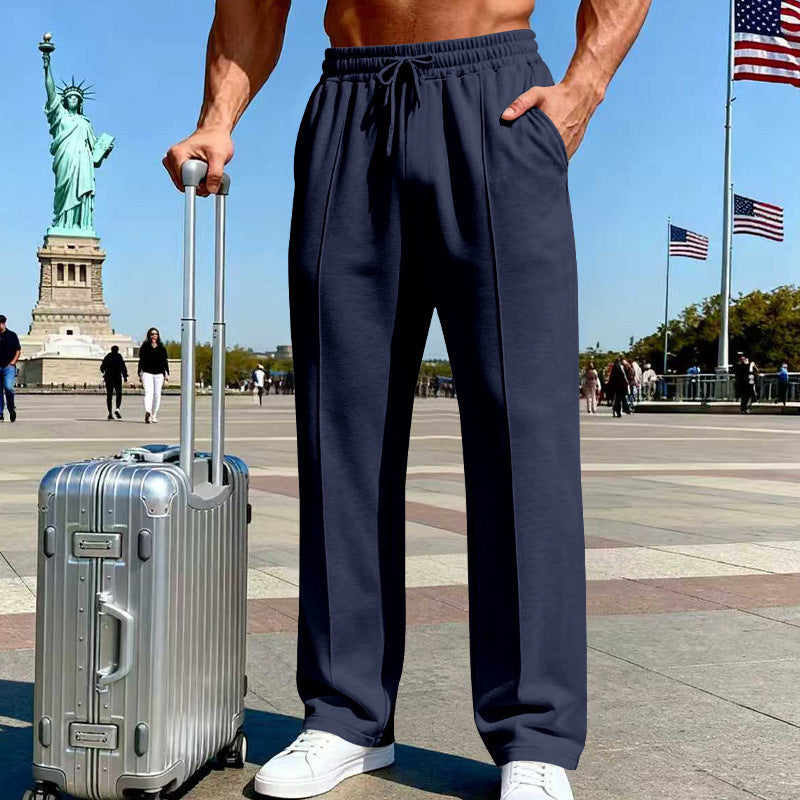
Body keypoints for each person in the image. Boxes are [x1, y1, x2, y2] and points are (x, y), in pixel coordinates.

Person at [163, 1, 651, 797]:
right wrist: (218, 118)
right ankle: (346, 715)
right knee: (340, 428)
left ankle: (535, 735)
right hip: (350, 105)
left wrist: (584, 86)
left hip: (495, 97)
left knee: (522, 433)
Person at [137, 327, 169, 424]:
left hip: (159, 373)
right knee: (148, 392)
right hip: (147, 372)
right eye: (152, 334)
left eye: (155, 334)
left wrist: (167, 373)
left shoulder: (162, 348)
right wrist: (140, 372)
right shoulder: (145, 347)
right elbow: (141, 360)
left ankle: (154, 414)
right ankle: (148, 411)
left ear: (158, 336)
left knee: (157, 394)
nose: (153, 336)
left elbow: (165, 361)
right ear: (149, 335)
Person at [0, 314, 21, 423]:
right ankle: (0, 413)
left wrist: (13, 362)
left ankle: (11, 408)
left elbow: (18, 350)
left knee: (8, 388)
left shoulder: (12, 335)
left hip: (8, 367)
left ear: (2, 324)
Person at [100, 345, 129, 420]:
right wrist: (125, 376)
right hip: (117, 377)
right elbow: (123, 367)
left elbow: (102, 367)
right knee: (118, 394)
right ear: (117, 350)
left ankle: (110, 413)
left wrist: (104, 371)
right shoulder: (119, 356)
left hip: (108, 378)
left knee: (109, 395)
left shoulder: (108, 356)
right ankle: (117, 408)